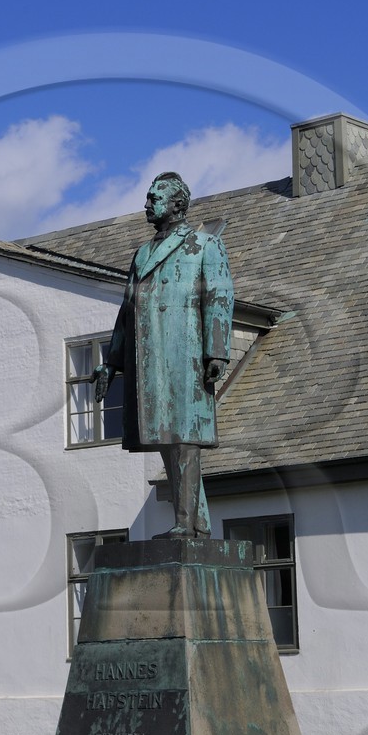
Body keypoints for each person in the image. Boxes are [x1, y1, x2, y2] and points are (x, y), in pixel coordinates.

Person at [94, 172, 232, 538]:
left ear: (177, 204)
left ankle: (186, 524)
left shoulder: (204, 245)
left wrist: (216, 351)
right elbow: (128, 310)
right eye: (148, 196)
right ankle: (198, 522)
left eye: (154, 197)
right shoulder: (141, 253)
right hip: (150, 357)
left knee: (184, 438)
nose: (147, 204)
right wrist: (111, 361)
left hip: (185, 355)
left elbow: (219, 296)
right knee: (165, 438)